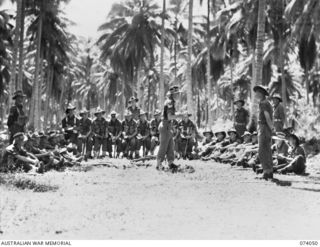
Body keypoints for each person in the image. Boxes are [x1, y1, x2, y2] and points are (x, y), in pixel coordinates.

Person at [157, 86, 182, 171]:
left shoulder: (171, 102)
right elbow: (169, 116)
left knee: (171, 145)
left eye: (178, 93)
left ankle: (170, 163)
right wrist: (180, 116)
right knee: (164, 146)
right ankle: (159, 164)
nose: (178, 95)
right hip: (166, 126)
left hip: (168, 126)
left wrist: (180, 114)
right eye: (177, 94)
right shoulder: (170, 102)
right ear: (172, 95)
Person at [254, 85, 274, 180]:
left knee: (262, 150)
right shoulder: (266, 102)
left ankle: (266, 171)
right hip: (265, 127)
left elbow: (267, 117)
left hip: (264, 127)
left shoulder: (264, 103)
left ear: (261, 94)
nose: (256, 94)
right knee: (267, 149)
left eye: (257, 92)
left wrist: (271, 128)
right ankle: (269, 171)